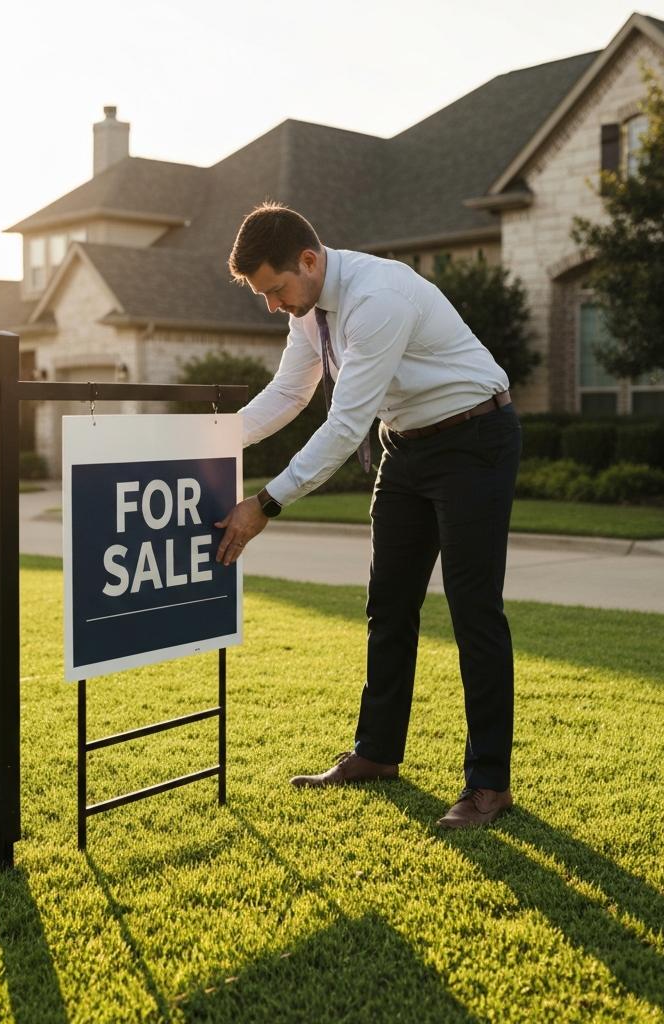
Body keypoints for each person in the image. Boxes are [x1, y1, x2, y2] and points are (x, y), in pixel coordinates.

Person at [214, 202, 522, 828]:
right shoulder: (308, 309)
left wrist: (266, 503)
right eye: (263, 295)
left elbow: (344, 424)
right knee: (388, 605)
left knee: (474, 610)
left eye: (275, 290)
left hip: (473, 440)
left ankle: (489, 785)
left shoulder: (377, 298)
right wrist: (209, 442)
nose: (272, 305)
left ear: (308, 260)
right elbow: (290, 392)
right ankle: (377, 753)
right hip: (405, 446)